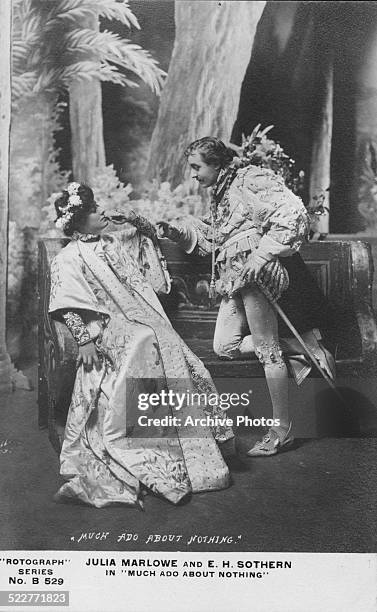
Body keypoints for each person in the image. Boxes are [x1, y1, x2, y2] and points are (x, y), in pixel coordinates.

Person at [49, 181, 233, 508]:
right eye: (93, 211)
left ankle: (197, 458)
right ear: (77, 221)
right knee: (144, 343)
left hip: (140, 317)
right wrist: (83, 339)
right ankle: (148, 452)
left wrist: (131, 218)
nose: (102, 212)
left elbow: (146, 235)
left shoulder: (113, 241)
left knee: (180, 354)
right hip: (103, 326)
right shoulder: (68, 258)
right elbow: (67, 304)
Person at [157, 137, 336, 457]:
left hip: (258, 275)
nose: (194, 175)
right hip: (235, 278)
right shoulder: (220, 195)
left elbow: (293, 213)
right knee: (223, 346)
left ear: (216, 163)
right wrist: (174, 230)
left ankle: (283, 430)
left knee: (268, 352)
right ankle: (306, 349)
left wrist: (259, 258)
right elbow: (214, 241)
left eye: (197, 167)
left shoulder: (250, 179)